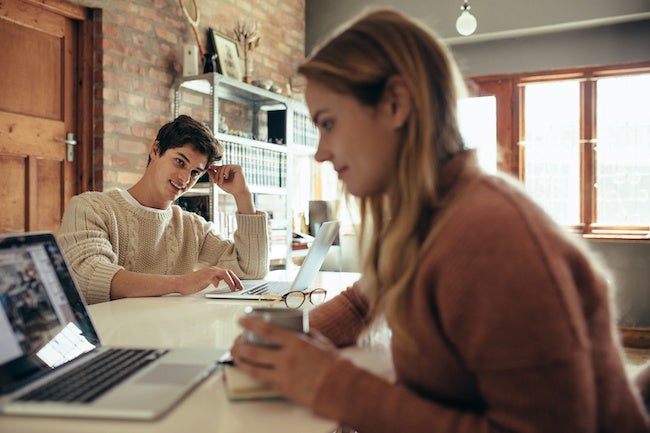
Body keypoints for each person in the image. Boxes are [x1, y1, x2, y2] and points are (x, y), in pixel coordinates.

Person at [230, 9, 650, 433]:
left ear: (395, 104)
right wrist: (279, 347)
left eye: (328, 123)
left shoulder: (491, 236)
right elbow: (364, 300)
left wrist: (333, 385)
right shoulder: (428, 218)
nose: (320, 152)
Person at [58, 115, 269, 305]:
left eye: (195, 172)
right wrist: (179, 283)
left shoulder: (192, 227)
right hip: (109, 339)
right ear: (155, 150)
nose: (185, 179)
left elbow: (250, 270)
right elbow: (85, 278)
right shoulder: (91, 208)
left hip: (169, 338)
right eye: (180, 162)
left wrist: (243, 196)